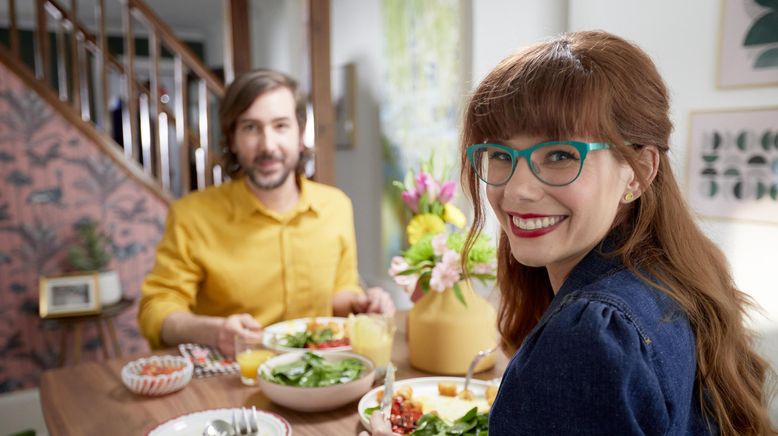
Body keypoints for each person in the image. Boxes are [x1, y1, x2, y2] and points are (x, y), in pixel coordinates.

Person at [456, 31, 774, 435]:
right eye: (500, 155)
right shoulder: (670, 276)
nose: (516, 190)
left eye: (559, 155)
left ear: (640, 171)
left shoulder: (592, 336)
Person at [138, 69, 394, 356]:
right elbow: (155, 309)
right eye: (250, 127)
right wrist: (211, 330)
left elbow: (341, 289)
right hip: (235, 377)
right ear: (232, 139)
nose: (268, 146)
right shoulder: (191, 216)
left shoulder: (336, 206)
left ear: (300, 135)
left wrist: (361, 304)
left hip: (323, 372)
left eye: (281, 126)